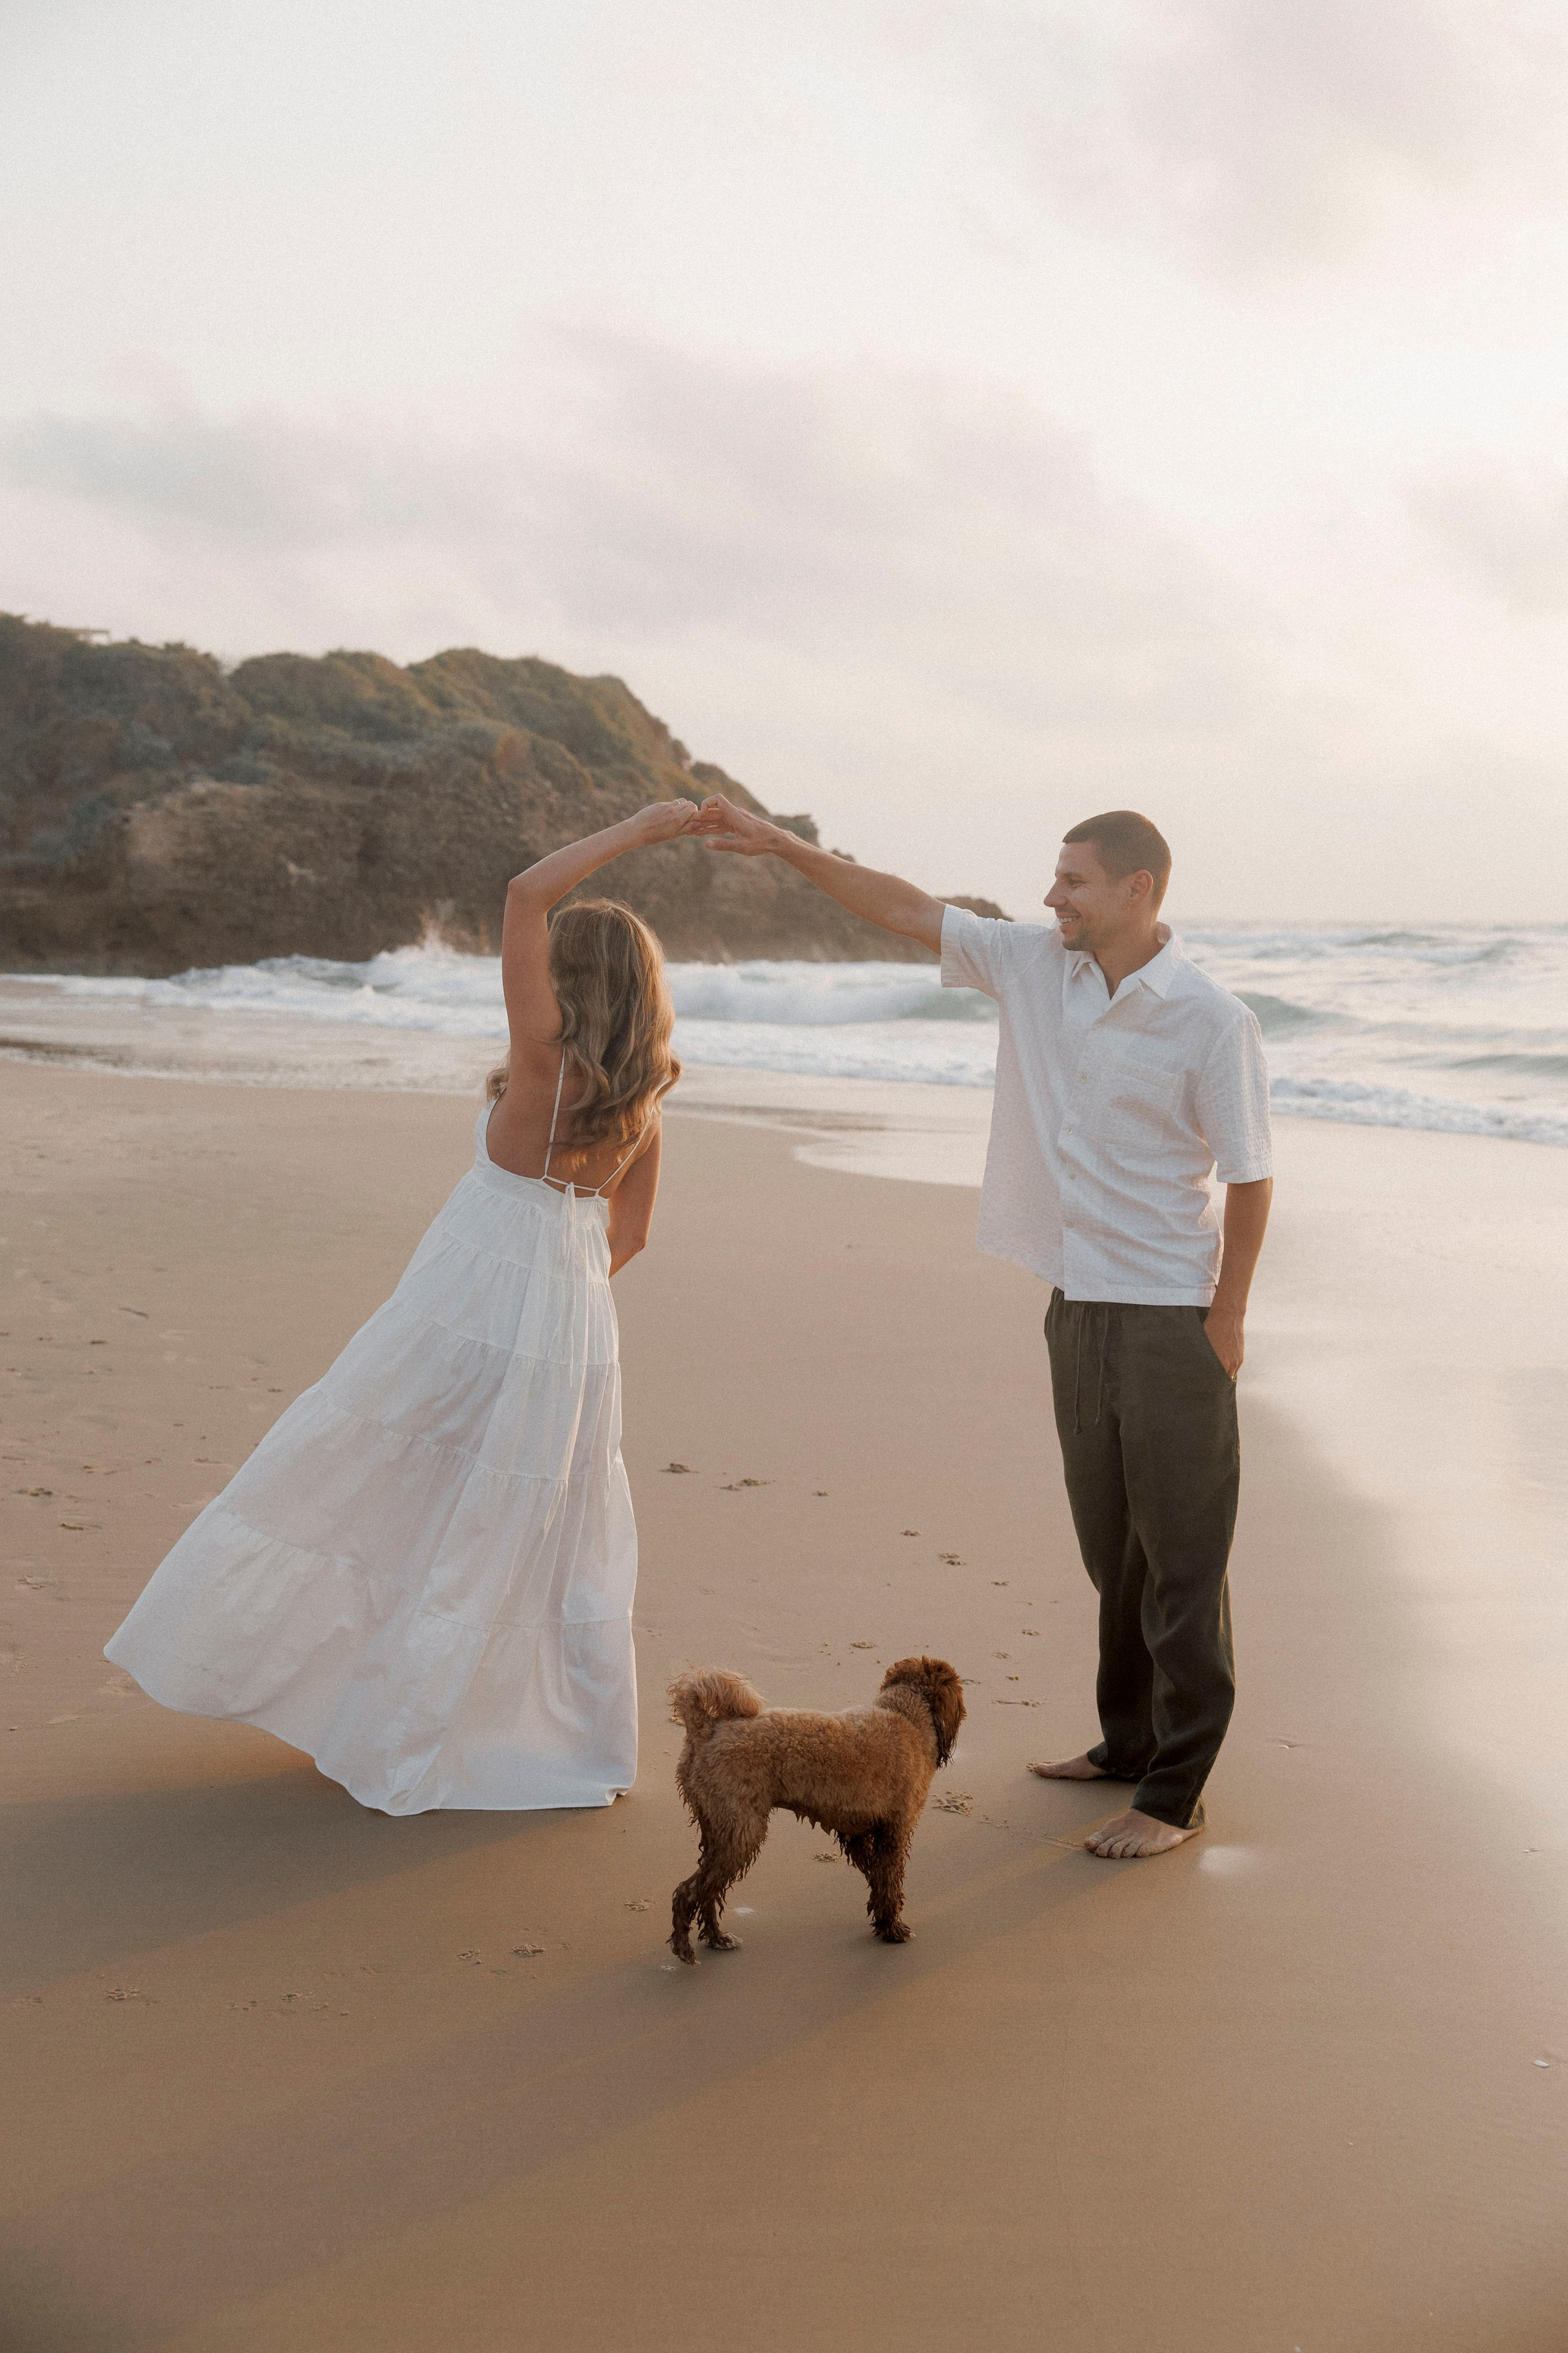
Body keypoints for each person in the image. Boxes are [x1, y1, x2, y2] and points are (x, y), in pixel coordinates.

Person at [692, 795, 1273, 1859]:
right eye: (1055, 879)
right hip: (1076, 1305)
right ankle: (1126, 1738)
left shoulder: (1210, 1018)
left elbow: (1249, 1173)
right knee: (1114, 1548)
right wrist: (781, 845)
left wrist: (1227, 1315)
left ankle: (1175, 1793)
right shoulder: (1031, 965)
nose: (1052, 896)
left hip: (1170, 1316)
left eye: (1074, 880)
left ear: (1137, 889)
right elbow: (907, 907)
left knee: (1184, 1559)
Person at [105, 800, 700, 1815]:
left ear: (566, 978)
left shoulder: (541, 1060)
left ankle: (364, 1702)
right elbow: (630, 1235)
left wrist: (640, 829)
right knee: (524, 1523)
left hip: (466, 1296)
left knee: (378, 1474)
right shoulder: (643, 1100)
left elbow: (524, 890)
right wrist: (556, 1320)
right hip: (572, 1322)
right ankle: (526, 1733)